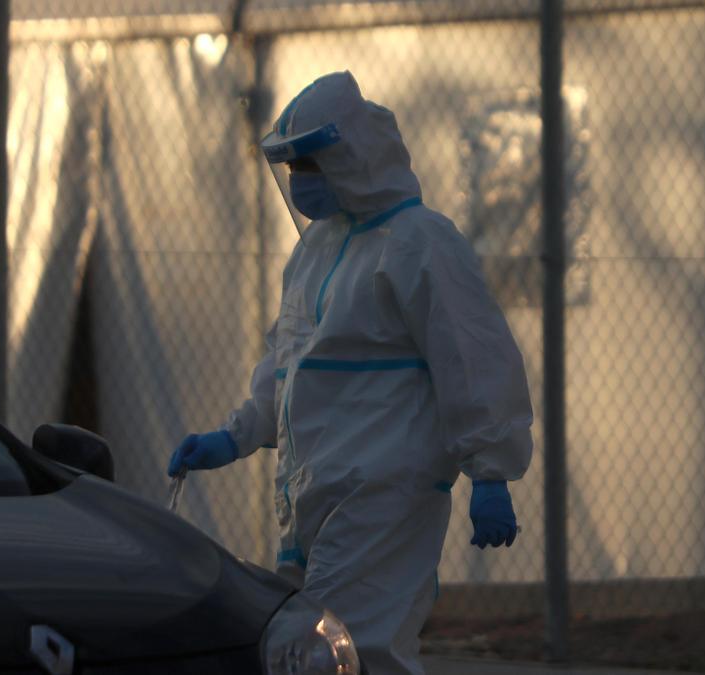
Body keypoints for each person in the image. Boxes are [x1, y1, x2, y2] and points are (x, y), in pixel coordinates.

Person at [167, 71, 533, 675]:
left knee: (359, 647)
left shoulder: (420, 242)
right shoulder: (316, 251)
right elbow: (288, 361)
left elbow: (473, 358)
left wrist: (489, 471)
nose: (299, 182)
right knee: (306, 650)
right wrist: (234, 435)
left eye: (309, 164)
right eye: (292, 168)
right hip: (310, 493)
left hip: (386, 493)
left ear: (350, 157)